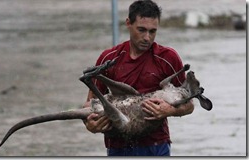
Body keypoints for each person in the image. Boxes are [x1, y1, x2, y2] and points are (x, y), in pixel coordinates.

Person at [83, 0, 194, 156]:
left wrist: (169, 110)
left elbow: (189, 105)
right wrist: (90, 124)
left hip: (155, 146)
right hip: (117, 146)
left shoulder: (168, 58)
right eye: (141, 30)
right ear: (128, 23)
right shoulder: (108, 58)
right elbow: (89, 103)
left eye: (152, 31)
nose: (147, 38)